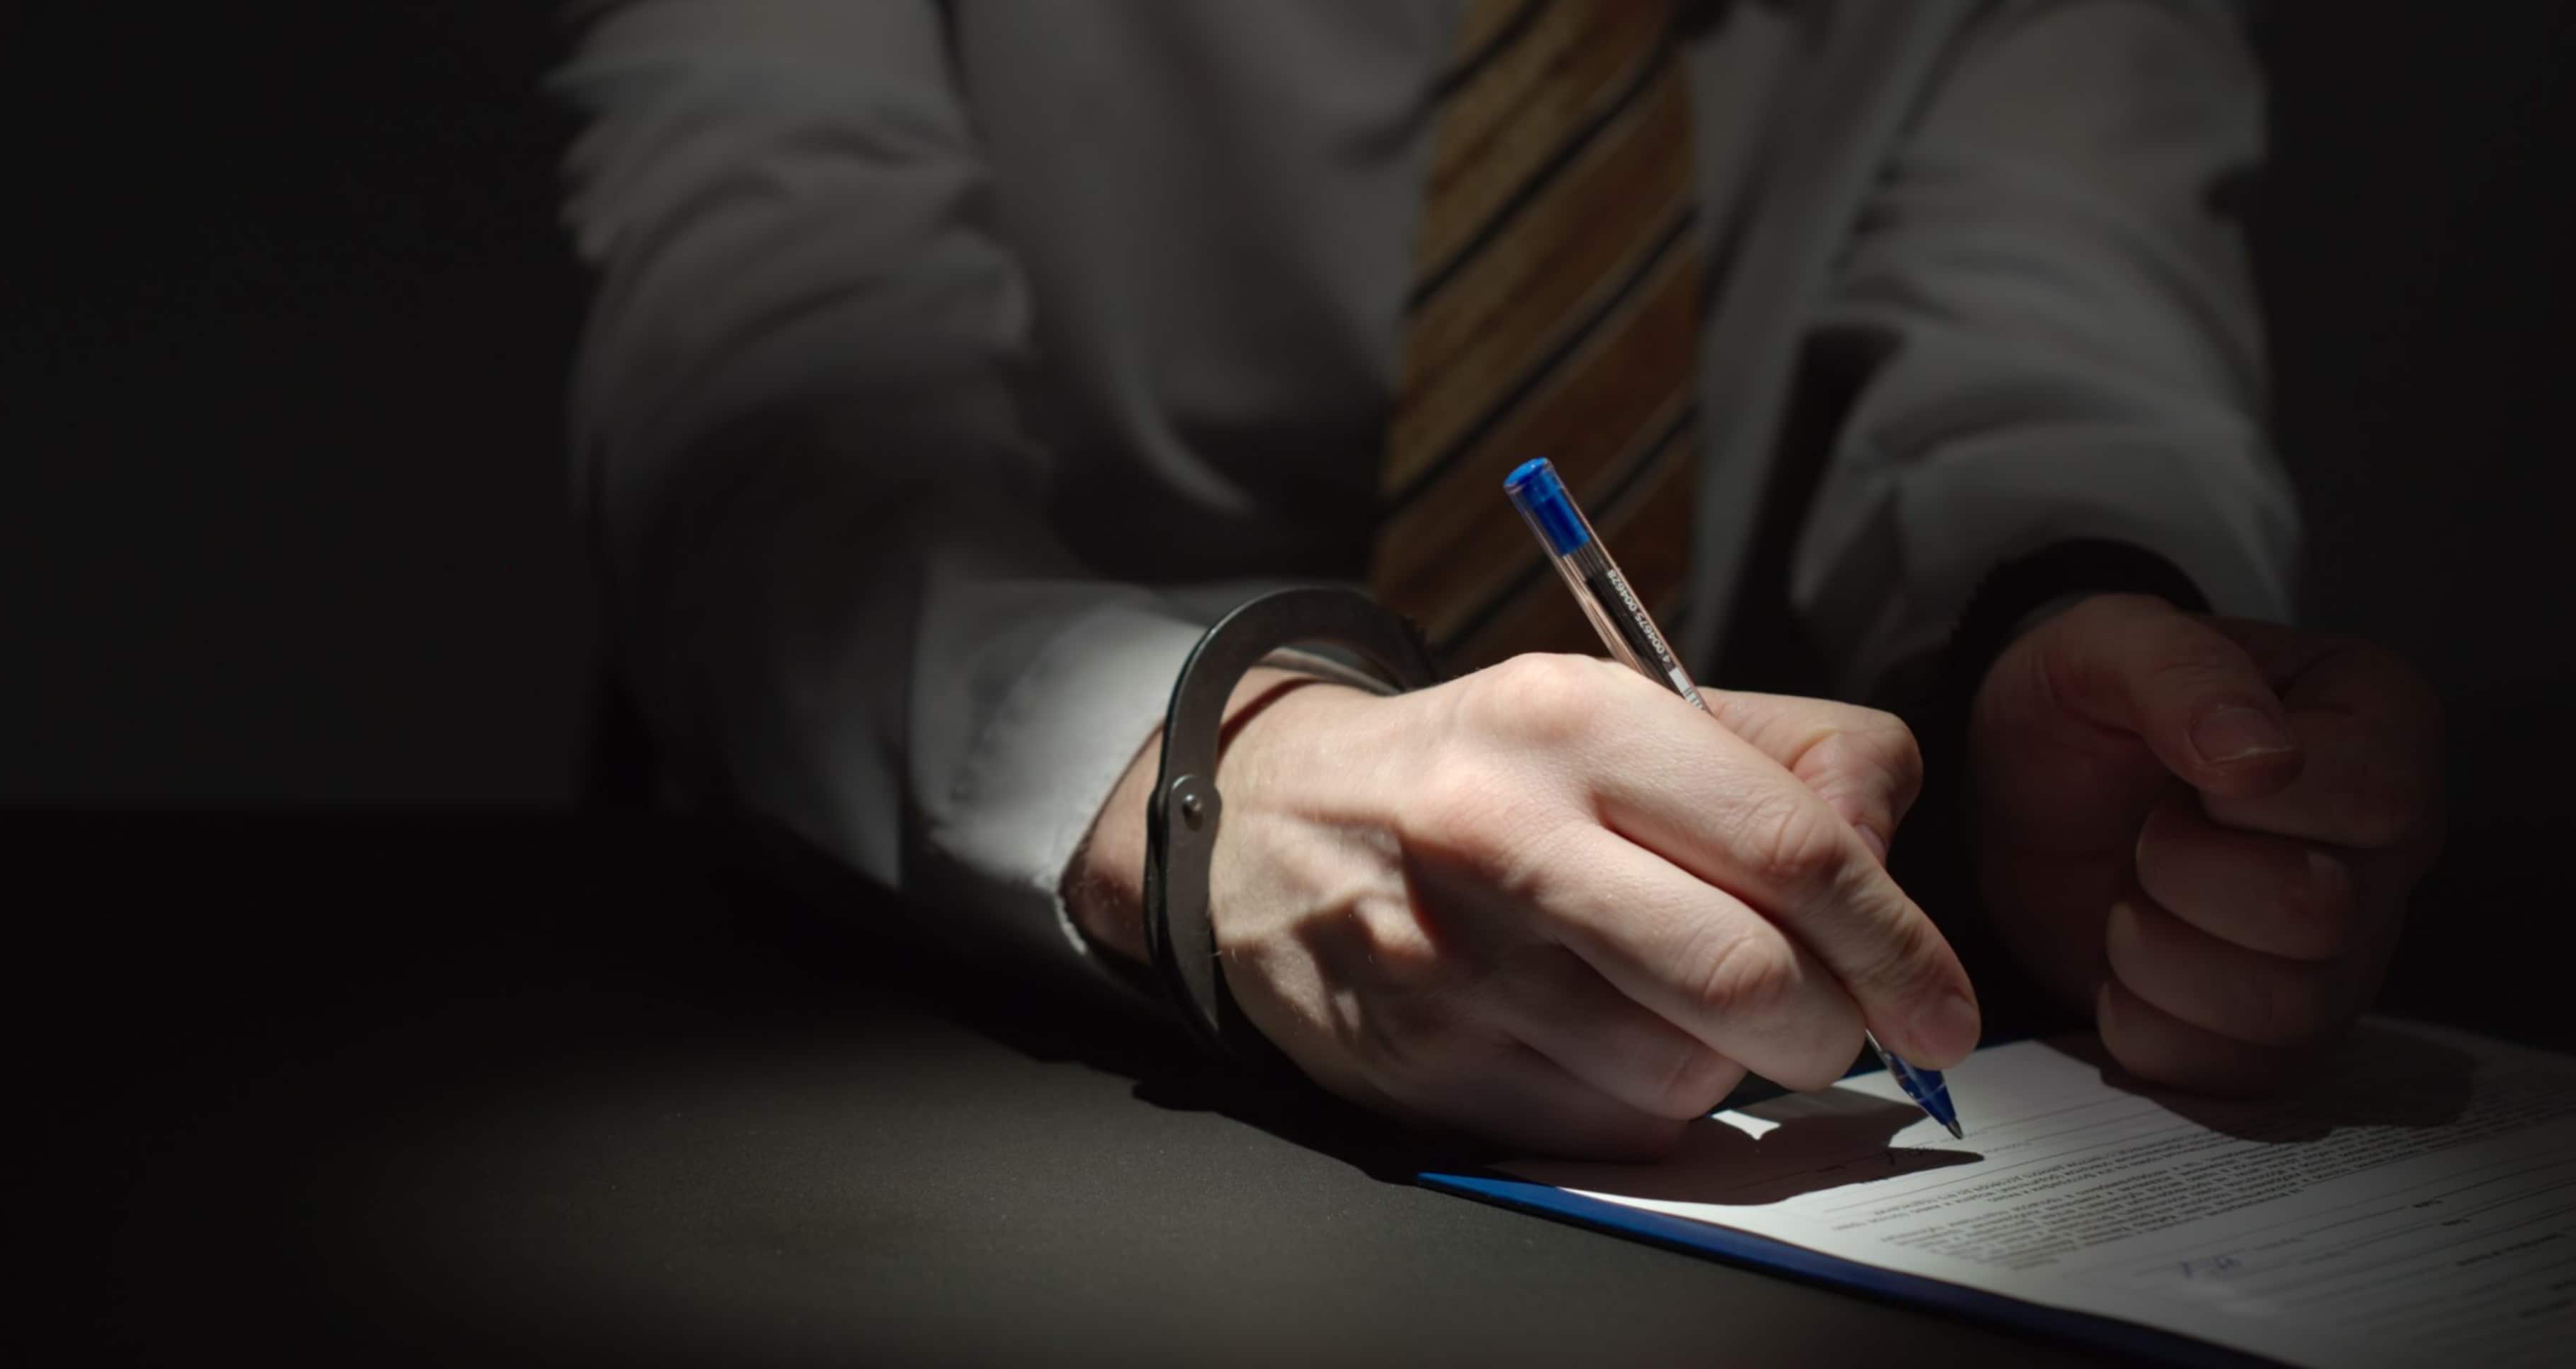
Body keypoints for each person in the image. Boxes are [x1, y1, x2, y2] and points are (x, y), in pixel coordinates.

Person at [555, 0, 2444, 1159]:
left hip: (1715, 1067)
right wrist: (1222, 784)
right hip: (898, 1051)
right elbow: (766, 432)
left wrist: (2074, 634)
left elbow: (2058, 329)